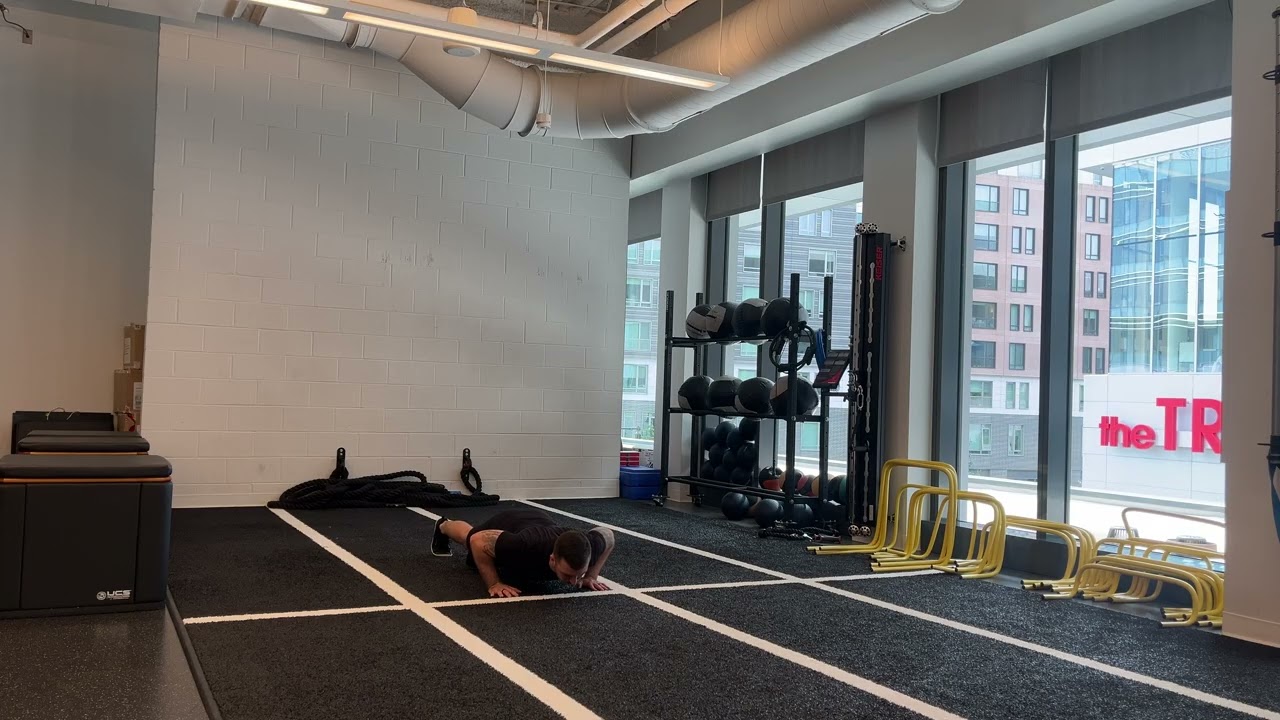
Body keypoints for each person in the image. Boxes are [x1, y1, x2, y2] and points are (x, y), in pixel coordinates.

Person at [431, 508, 616, 598]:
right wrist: (494, 583)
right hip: (510, 523)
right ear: (552, 559)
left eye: (578, 575)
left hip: (541, 520)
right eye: (568, 575)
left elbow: (608, 535)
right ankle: (443, 525)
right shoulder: (524, 545)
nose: (573, 582)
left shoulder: (590, 546)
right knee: (468, 536)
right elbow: (478, 541)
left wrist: (590, 576)